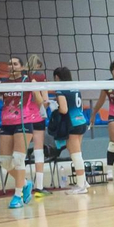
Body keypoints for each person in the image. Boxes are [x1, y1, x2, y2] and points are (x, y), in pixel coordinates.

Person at [0, 56, 34, 208]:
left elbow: (40, 99)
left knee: (18, 159)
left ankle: (18, 195)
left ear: (21, 67)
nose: (12, 66)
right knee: (4, 161)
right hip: (7, 123)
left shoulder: (28, 81)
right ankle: (25, 183)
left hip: (24, 122)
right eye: (10, 63)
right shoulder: (2, 84)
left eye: (15, 64)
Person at [49, 66, 90, 194]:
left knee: (75, 155)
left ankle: (80, 186)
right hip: (81, 121)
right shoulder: (75, 88)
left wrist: (54, 107)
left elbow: (64, 110)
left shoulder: (61, 90)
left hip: (72, 123)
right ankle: (84, 182)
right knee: (78, 153)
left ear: (57, 77)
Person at [21, 54, 50, 196]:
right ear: (38, 65)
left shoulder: (21, 77)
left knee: (21, 153)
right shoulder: (41, 77)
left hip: (23, 117)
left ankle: (22, 185)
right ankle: (39, 187)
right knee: (38, 151)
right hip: (37, 116)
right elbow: (45, 100)